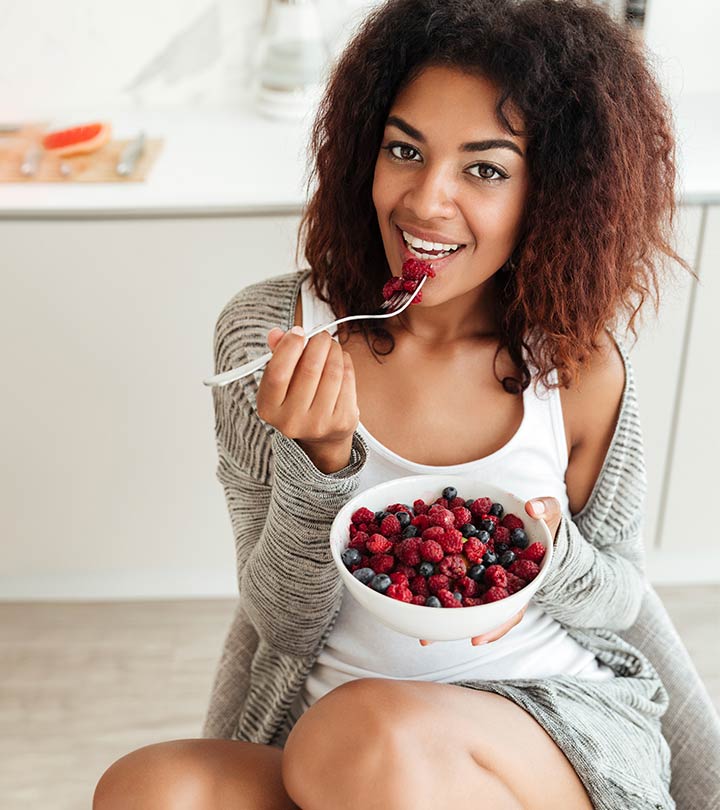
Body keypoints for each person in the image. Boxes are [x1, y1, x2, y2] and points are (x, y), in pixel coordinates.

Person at [93, 0, 693, 808]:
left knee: (368, 735)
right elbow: (279, 620)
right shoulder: (269, 337)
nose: (424, 202)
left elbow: (623, 595)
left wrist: (552, 550)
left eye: (485, 168)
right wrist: (320, 467)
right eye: (404, 150)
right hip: (322, 728)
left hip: (546, 720)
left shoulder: (577, 366)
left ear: (553, 191)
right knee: (151, 788)